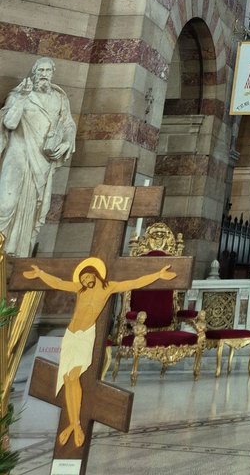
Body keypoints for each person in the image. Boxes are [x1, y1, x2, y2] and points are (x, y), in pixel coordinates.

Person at [23, 257, 176, 447]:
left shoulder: (108, 287)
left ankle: (75, 425)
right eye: (83, 277)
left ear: (95, 274)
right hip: (71, 335)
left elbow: (134, 283)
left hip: (86, 336)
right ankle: (73, 423)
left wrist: (158, 275)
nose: (86, 279)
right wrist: (40, 274)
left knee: (74, 376)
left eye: (88, 275)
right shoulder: (79, 288)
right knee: (68, 378)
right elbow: (59, 283)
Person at [0, 58, 76, 255]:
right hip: (18, 155)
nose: (44, 74)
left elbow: (68, 125)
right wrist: (23, 98)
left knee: (33, 209)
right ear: (33, 72)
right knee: (5, 204)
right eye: (40, 70)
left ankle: (19, 255)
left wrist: (67, 142)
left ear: (52, 73)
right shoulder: (19, 94)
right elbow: (9, 123)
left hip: (42, 161)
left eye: (48, 70)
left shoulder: (59, 99)